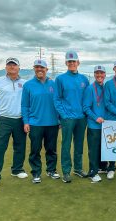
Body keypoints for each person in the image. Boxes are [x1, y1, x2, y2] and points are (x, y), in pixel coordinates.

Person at [0, 57, 28, 190]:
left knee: (20, 147)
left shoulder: (25, 83)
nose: (12, 67)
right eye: (9, 65)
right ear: (6, 67)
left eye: (14, 65)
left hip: (20, 119)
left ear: (19, 67)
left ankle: (17, 169)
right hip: (3, 119)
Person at [21, 59, 60, 184]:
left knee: (51, 149)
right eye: (37, 67)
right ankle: (36, 172)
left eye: (42, 67)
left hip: (53, 123)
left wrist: (60, 119)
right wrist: (26, 122)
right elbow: (25, 106)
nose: (39, 70)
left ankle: (51, 170)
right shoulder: (28, 85)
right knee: (35, 150)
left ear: (46, 70)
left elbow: (58, 103)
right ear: (34, 69)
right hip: (35, 123)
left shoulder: (53, 84)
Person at [53, 50, 89, 183]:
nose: (72, 63)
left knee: (79, 144)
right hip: (67, 118)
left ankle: (78, 169)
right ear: (66, 63)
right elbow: (56, 99)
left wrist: (85, 113)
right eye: (69, 61)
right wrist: (63, 115)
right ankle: (66, 171)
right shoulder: (60, 79)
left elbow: (87, 98)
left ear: (78, 63)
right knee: (66, 145)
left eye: (74, 61)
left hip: (81, 118)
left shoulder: (84, 79)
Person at [83, 65, 108, 183]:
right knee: (93, 149)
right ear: (94, 75)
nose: (99, 75)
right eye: (97, 73)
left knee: (103, 147)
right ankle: (93, 172)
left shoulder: (105, 87)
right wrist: (95, 117)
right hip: (94, 124)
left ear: (105, 75)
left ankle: (102, 167)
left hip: (106, 124)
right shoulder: (90, 88)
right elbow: (86, 107)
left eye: (101, 73)